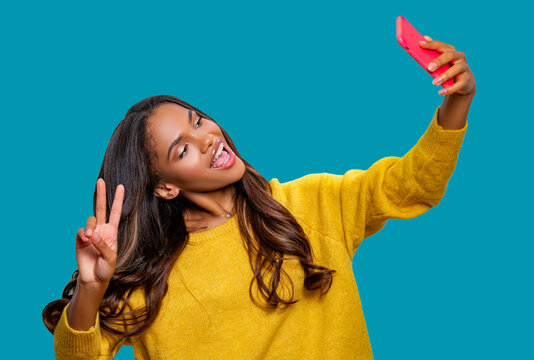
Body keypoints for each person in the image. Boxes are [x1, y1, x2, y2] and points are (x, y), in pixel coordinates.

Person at [42, 35, 476, 360]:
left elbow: (413, 185)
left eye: (199, 121)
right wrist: (92, 288)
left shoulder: (315, 203)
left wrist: (457, 101)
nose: (208, 138)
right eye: (183, 148)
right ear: (166, 186)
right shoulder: (154, 280)